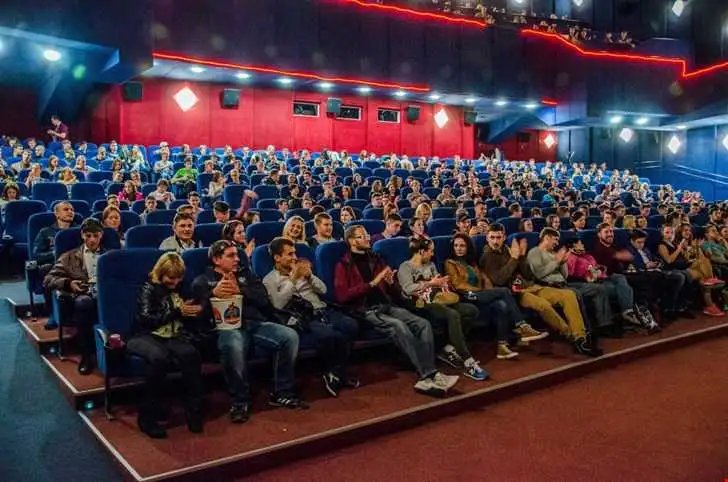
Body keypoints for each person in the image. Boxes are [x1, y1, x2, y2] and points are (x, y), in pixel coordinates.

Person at [334, 225, 459, 396]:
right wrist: (372, 283)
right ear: (351, 241)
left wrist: (391, 283)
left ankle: (430, 374)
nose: (367, 238)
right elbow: (342, 296)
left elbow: (393, 291)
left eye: (367, 234)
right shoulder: (343, 265)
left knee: (423, 324)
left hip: (387, 305)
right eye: (362, 236)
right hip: (366, 310)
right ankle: (428, 374)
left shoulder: (376, 259)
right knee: (398, 326)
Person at [192, 240, 307, 420]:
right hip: (226, 328)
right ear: (216, 260)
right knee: (233, 345)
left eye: (237, 255)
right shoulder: (203, 281)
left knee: (289, 336)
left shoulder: (247, 275)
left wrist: (240, 290)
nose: (237, 259)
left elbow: (263, 299)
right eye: (231, 256)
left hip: (254, 323)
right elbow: (197, 314)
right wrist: (212, 294)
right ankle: (240, 401)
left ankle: (283, 392)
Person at [480, 224, 599, 356]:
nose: (495, 241)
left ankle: (580, 336)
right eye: (492, 237)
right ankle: (574, 338)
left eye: (498, 237)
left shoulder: (509, 250)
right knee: (543, 305)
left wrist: (522, 257)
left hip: (532, 286)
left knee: (569, 295)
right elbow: (499, 280)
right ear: (487, 238)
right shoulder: (487, 256)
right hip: (517, 293)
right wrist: (514, 259)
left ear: (504, 237)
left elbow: (528, 275)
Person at [264, 237, 360, 396]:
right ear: (277, 257)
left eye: (295, 253)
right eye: (290, 254)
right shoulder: (270, 279)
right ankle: (335, 373)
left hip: (323, 309)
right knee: (329, 335)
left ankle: (335, 373)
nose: (295, 257)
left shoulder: (302, 270)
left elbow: (323, 290)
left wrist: (309, 276)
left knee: (350, 325)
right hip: (304, 316)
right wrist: (293, 280)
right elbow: (278, 304)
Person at [126, 252, 204, 438]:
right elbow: (146, 319)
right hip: (145, 334)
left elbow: (189, 309)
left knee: (191, 355)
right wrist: (178, 312)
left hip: (173, 335)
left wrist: (195, 311)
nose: (175, 282)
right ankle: (147, 416)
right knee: (158, 358)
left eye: (178, 278)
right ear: (161, 273)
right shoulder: (148, 288)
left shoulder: (182, 287)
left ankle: (193, 411)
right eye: (170, 278)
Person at [445, 233, 548, 360]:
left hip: (478, 294)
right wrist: (481, 291)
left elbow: (482, 278)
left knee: (501, 305)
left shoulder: (471, 263)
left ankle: (502, 346)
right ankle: (522, 326)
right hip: (466, 295)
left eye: (462, 246)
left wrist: (487, 290)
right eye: (456, 245)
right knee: (504, 291)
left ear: (468, 247)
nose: (459, 248)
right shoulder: (450, 262)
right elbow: (458, 285)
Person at [397, 237, 488, 381]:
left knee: (471, 310)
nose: (433, 254)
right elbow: (408, 289)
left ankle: (449, 347)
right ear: (421, 251)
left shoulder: (431, 264)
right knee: (452, 314)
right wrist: (430, 283)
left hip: (437, 299)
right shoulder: (405, 267)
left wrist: (442, 283)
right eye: (430, 251)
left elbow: (437, 284)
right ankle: (467, 360)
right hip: (419, 304)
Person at [43, 218, 107, 374]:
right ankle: (86, 355)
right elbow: (48, 279)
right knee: (84, 302)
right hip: (83, 295)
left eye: (96, 236)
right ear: (82, 235)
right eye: (88, 235)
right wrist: (68, 283)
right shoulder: (69, 257)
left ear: (101, 235)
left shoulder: (111, 256)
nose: (92, 240)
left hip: (107, 296)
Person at [658, 225, 724, 316]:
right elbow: (669, 260)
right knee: (702, 269)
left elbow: (686, 259)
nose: (670, 235)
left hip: (684, 265)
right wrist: (679, 248)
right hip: (674, 268)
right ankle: (709, 303)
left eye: (671, 232)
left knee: (704, 267)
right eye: (667, 232)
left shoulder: (675, 244)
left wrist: (695, 248)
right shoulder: (662, 245)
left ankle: (710, 304)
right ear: (662, 234)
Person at [32, 201, 76, 328]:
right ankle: (53, 313)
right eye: (66, 209)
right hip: (54, 266)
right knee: (46, 270)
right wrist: (54, 253)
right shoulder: (45, 232)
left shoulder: (79, 230)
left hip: (77, 266)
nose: (70, 212)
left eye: (72, 210)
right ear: (56, 214)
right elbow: (36, 256)